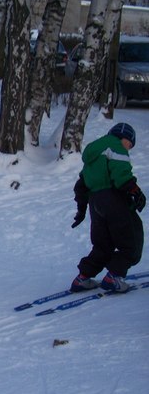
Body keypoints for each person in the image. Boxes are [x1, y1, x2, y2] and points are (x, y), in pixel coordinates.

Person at [70, 123, 145, 294]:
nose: (129, 148)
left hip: (95, 203)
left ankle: (82, 278)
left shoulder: (93, 156)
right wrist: (135, 191)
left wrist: (82, 209)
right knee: (131, 241)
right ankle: (114, 277)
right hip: (114, 200)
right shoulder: (115, 145)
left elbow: (81, 185)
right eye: (129, 144)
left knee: (103, 245)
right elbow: (121, 174)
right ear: (123, 136)